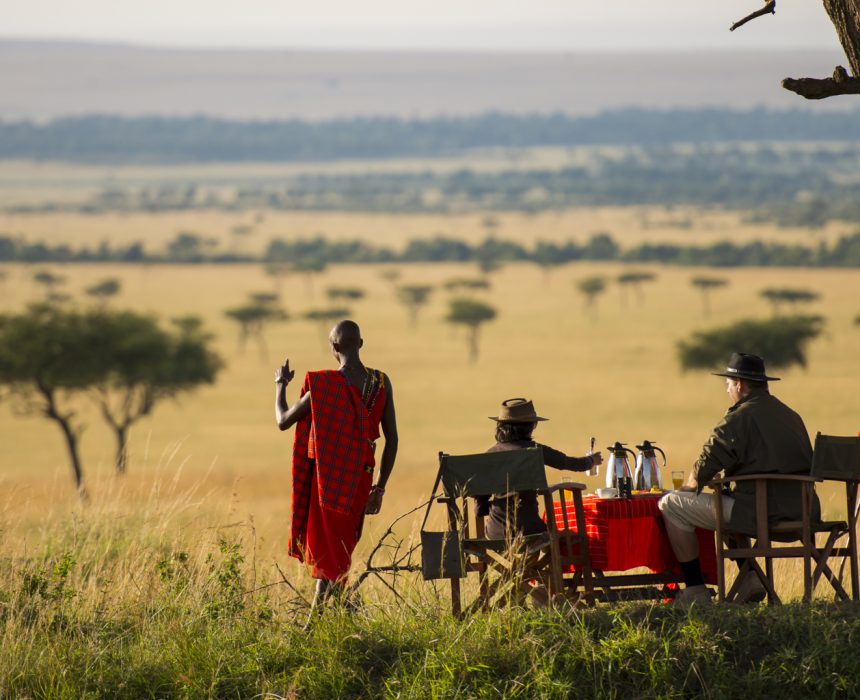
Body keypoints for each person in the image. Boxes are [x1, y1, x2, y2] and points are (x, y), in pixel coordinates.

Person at [658, 352, 816, 606]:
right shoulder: (790, 415)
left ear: (740, 385)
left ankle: (696, 590)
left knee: (671, 505)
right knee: (727, 500)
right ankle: (749, 577)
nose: (728, 390)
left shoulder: (741, 416)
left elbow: (706, 462)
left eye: (728, 384)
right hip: (805, 511)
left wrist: (687, 488)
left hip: (763, 513)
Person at [275, 320, 398, 609]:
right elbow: (392, 439)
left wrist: (280, 385)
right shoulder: (381, 383)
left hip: (329, 480)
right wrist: (379, 488)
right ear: (361, 344)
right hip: (361, 479)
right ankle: (345, 611)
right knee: (339, 548)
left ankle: (320, 618)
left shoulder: (323, 386)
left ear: (333, 347)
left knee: (333, 550)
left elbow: (283, 420)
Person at [477, 397, 603, 540]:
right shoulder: (535, 451)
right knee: (566, 537)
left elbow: (479, 502)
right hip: (530, 530)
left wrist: (489, 507)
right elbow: (568, 463)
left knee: (545, 539)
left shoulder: (489, 455)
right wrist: (592, 460)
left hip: (495, 533)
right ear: (530, 427)